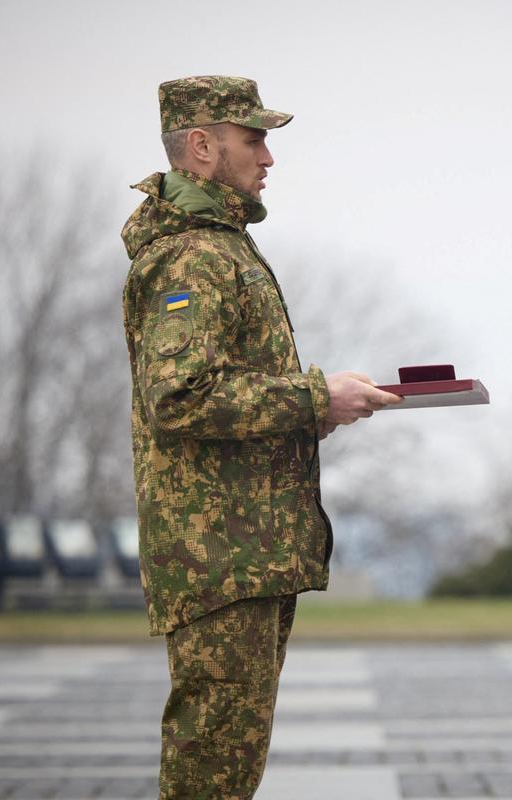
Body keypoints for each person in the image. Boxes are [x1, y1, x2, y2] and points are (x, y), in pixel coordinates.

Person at [121, 75, 401, 799]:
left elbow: (223, 401)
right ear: (203, 147)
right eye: (254, 139)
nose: (269, 157)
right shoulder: (194, 257)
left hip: (246, 553)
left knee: (226, 766)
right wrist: (314, 396)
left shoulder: (224, 247)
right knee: (211, 769)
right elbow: (179, 398)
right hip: (221, 560)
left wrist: (318, 414)